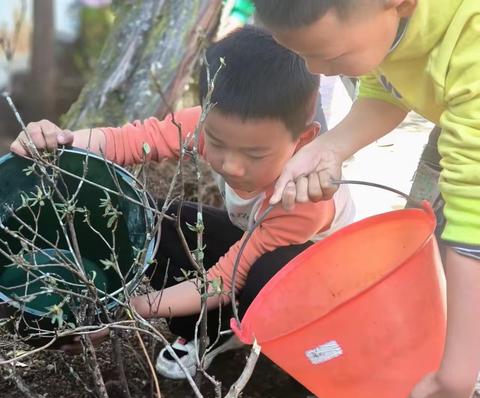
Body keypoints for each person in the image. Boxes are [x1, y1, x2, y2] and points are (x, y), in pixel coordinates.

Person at [10, 26, 354, 379]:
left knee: (263, 272)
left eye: (255, 153)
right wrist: (60, 141)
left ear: (304, 138)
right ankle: (213, 330)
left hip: (322, 293)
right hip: (251, 246)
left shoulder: (304, 197)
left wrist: (126, 312)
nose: (230, 164)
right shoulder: (214, 123)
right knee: (160, 221)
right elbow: (131, 141)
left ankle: (324, 380)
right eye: (216, 142)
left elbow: (224, 279)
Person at [250, 0, 479, 398]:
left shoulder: (469, 45)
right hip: (457, 123)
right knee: (427, 235)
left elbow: (474, 222)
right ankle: (424, 363)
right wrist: (332, 147)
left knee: (453, 234)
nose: (317, 69)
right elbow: (388, 86)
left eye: (330, 57)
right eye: (304, 55)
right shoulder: (383, 23)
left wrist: (459, 367)